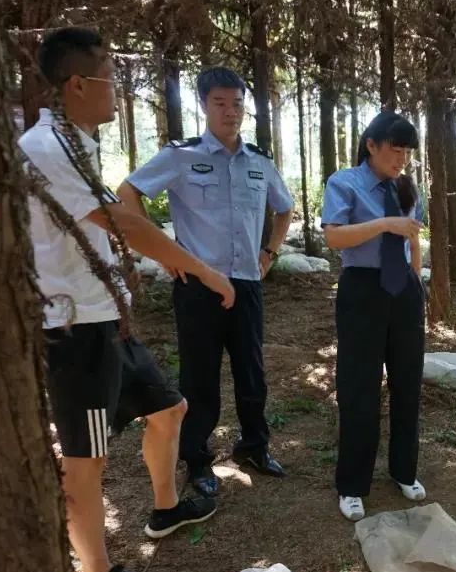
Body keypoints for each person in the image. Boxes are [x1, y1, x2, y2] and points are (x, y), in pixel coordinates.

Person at [23, 27, 230, 572]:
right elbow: (124, 223)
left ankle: (165, 509)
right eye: (112, 78)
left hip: (106, 319)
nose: (119, 90)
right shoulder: (48, 146)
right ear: (78, 84)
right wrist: (202, 271)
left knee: (169, 409)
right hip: (74, 329)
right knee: (85, 457)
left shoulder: (76, 142)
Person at [118, 67, 295, 497]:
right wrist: (164, 253)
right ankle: (197, 460)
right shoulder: (182, 157)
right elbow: (128, 192)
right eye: (220, 103)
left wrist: (269, 252)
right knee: (199, 378)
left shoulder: (259, 162)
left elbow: (284, 208)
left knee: (252, 373)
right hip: (198, 286)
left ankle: (253, 447)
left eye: (237, 104)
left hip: (247, 283)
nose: (230, 112)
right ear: (204, 105)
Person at [321, 111, 426, 522]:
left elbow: (413, 238)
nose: (401, 159)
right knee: (359, 387)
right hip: (362, 290)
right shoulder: (344, 182)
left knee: (408, 383)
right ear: (371, 145)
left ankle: (404, 470)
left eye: (406, 152)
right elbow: (333, 236)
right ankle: (352, 484)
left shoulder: (407, 187)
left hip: (404, 292)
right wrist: (385, 224)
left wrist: (416, 283)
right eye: (395, 150)